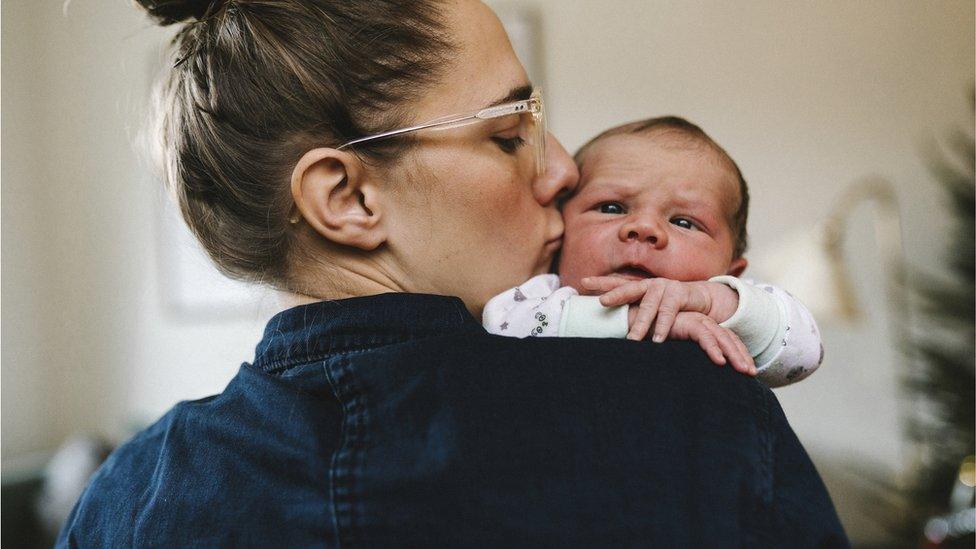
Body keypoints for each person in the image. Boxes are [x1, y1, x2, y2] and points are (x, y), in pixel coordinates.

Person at [57, 0, 848, 546]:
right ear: (348, 196)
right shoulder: (695, 407)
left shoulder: (126, 501)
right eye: (509, 133)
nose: (565, 170)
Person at [483, 117, 824, 388]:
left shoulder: (731, 309)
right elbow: (502, 325)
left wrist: (709, 301)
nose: (643, 228)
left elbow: (803, 354)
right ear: (561, 231)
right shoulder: (546, 296)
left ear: (730, 273)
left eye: (684, 222)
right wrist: (637, 321)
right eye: (612, 207)